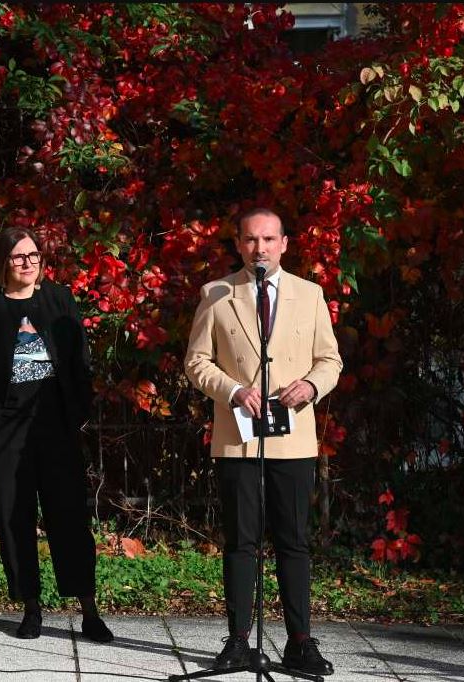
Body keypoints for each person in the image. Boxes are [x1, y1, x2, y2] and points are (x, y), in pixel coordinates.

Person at [183, 208, 342, 676]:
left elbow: (330, 360)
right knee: (241, 541)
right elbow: (196, 362)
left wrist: (310, 386)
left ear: (285, 243)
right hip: (238, 438)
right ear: (238, 244)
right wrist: (233, 390)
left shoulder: (310, 295)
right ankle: (237, 641)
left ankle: (300, 642)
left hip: (293, 440)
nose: (261, 248)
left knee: (294, 542)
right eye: (251, 240)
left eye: (269, 239)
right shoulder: (216, 293)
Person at [0, 226, 113, 643]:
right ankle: (31, 607)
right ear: (2, 263)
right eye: (19, 257)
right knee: (13, 517)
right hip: (5, 430)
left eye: (34, 256)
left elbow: (79, 359)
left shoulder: (58, 299)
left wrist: (77, 409)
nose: (28, 263)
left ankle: (89, 609)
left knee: (70, 517)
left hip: (55, 426)